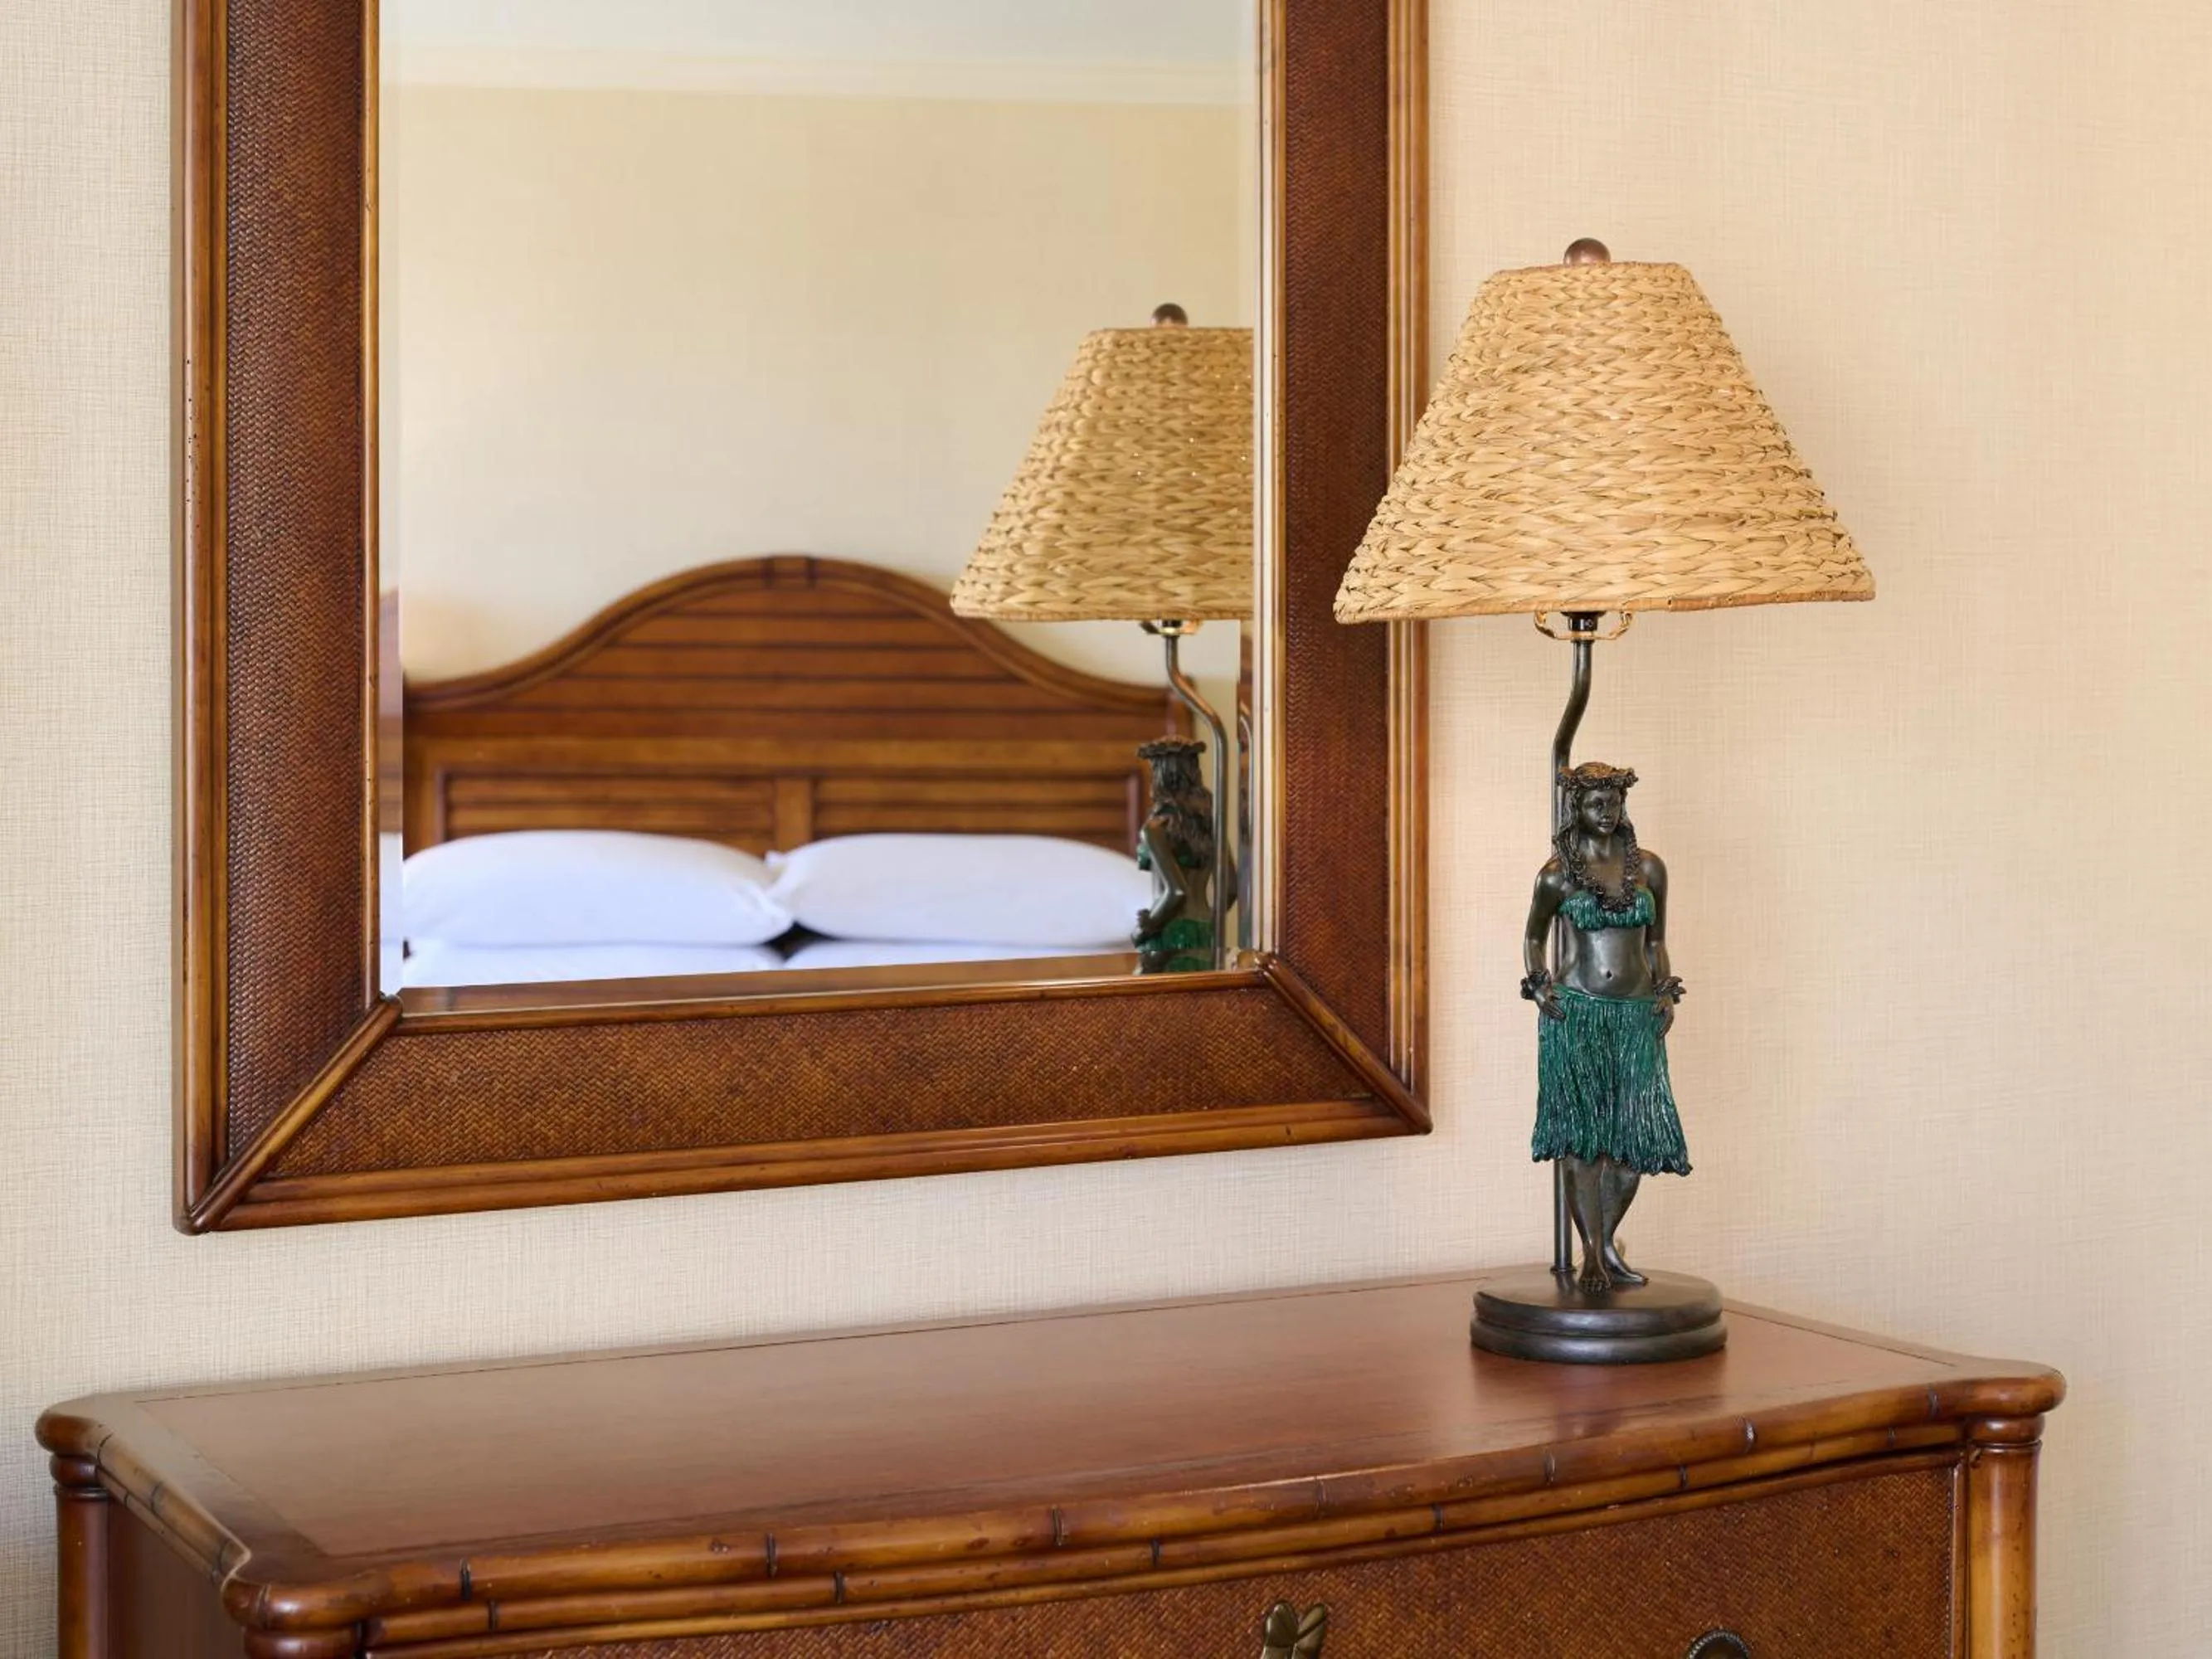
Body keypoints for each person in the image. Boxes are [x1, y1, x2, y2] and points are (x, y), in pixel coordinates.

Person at [1519, 761, 1689, 1294]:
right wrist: (1539, 983)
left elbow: (1656, 942)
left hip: (1636, 1013)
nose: (1607, 812)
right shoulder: (1557, 875)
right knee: (1583, 1140)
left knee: (1631, 1140)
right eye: (1596, 803)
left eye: (1614, 802)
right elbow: (1533, 936)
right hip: (1579, 1013)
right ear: (1577, 808)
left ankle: (1607, 1241)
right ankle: (1589, 1252)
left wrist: (1665, 991)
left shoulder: (1649, 870)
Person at [1132, 737, 1217, 974]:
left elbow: (1176, 891)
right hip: (1204, 931)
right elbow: (1229, 890)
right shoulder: (1210, 825)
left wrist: (1145, 929)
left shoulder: (1157, 828)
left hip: (1169, 932)